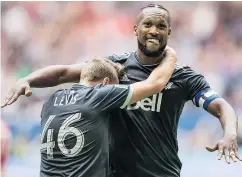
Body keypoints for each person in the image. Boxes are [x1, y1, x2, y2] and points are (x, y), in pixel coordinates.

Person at [1, 4, 241, 177]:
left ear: (169, 32)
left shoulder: (184, 76)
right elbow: (64, 72)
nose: (154, 30)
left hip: (160, 172)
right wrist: (28, 81)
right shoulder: (114, 68)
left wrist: (230, 131)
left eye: (161, 25)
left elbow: (220, 105)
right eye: (148, 24)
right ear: (135, 29)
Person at [19, 48, 176, 177]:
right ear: (106, 83)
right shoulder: (99, 95)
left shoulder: (51, 101)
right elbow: (155, 84)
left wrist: (26, 80)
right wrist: (170, 55)